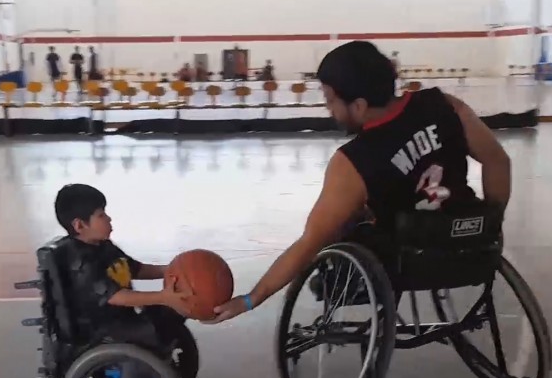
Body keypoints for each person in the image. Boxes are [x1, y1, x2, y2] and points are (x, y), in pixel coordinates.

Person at [208, 40, 511, 323]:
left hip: (405, 262)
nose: (329, 109)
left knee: (349, 225)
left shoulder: (351, 163)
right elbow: (498, 162)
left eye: (330, 100)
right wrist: (491, 222)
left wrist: (252, 298)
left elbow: (310, 243)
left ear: (360, 106)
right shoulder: (446, 106)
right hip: (467, 244)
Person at [54, 184, 193, 351]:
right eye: (101, 215)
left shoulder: (105, 246)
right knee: (155, 331)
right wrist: (163, 296)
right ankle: (133, 375)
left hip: (123, 319)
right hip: (103, 329)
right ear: (80, 225)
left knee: (172, 313)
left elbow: (136, 269)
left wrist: (170, 269)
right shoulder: (80, 260)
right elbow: (115, 296)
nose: (109, 219)